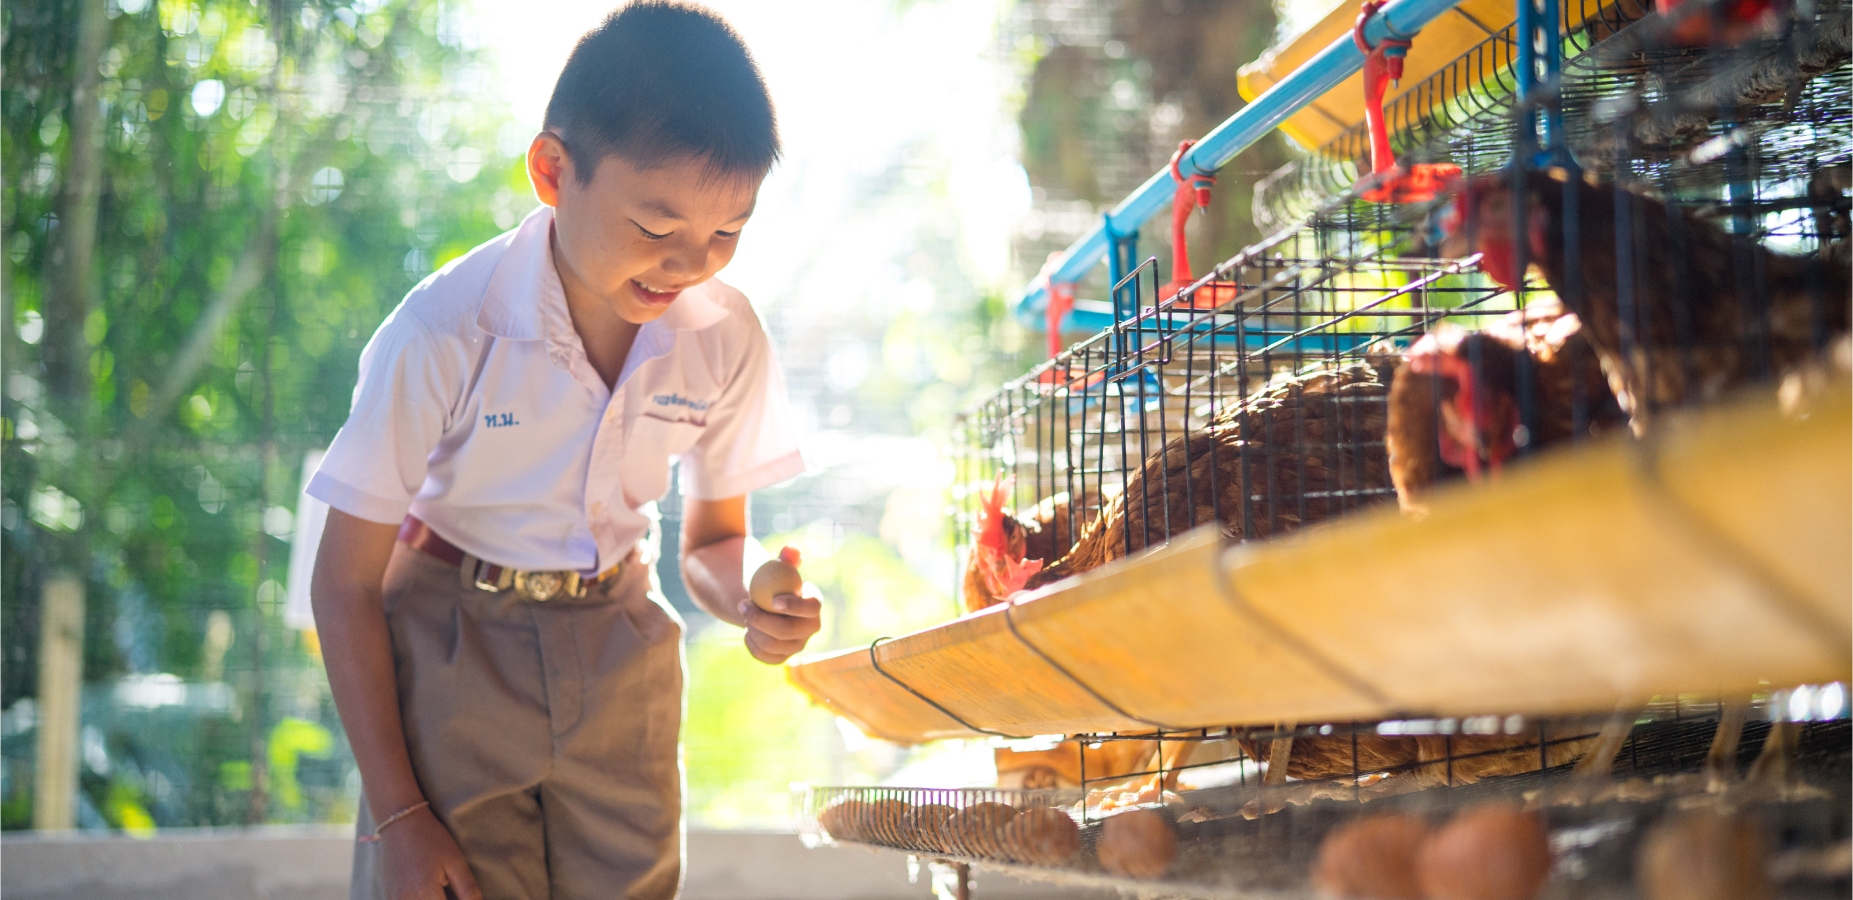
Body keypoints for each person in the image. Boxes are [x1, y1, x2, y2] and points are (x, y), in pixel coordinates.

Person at [307, 4, 820, 898]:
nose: (689, 263)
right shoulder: (443, 330)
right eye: (657, 228)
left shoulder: (726, 335)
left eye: (726, 233)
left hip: (621, 641)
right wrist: (399, 812)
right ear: (553, 171)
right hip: (452, 641)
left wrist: (748, 602)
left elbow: (706, 545)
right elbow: (344, 580)